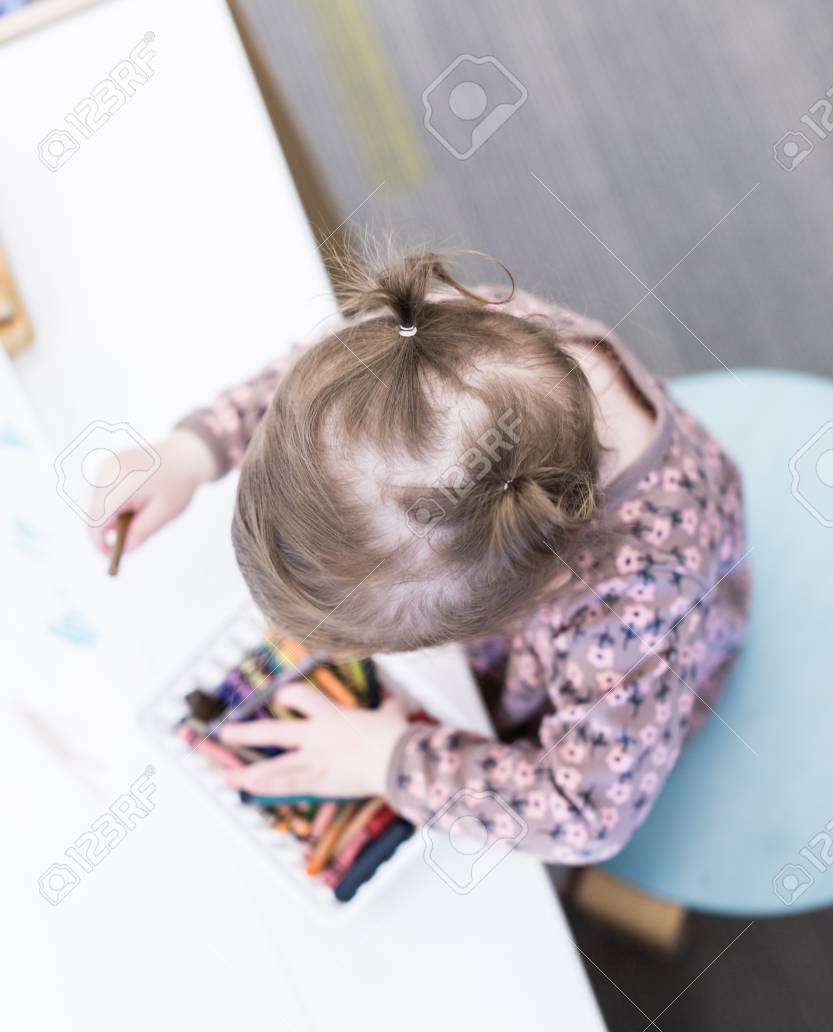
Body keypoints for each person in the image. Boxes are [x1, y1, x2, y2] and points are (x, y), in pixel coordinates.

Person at [94, 251, 749, 864]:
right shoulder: (452, 344)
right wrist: (193, 451)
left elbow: (588, 811)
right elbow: (325, 395)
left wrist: (391, 761)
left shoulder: (635, 612)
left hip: (645, 692)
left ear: (531, 591)